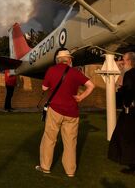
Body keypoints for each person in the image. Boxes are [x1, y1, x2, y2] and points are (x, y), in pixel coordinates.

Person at [36, 48, 94, 178]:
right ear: (69, 60)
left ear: (58, 60)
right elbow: (91, 86)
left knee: (49, 139)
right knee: (70, 142)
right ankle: (70, 171)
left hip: (55, 109)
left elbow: (44, 88)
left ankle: (45, 167)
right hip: (72, 112)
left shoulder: (52, 70)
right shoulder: (75, 72)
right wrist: (81, 97)